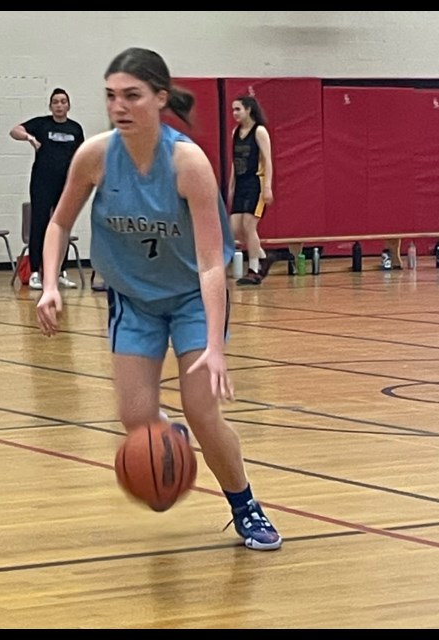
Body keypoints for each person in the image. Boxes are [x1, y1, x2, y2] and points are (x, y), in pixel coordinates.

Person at [36, 47, 282, 551]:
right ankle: (169, 442)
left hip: (191, 296)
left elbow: (214, 263)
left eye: (132, 95)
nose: (119, 106)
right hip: (134, 298)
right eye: (110, 96)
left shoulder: (187, 163)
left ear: (160, 98)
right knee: (135, 418)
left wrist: (215, 344)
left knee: (203, 412)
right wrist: (50, 285)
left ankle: (245, 505)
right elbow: (59, 223)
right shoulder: (96, 156)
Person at [10, 88, 84, 291]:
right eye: (55, 102)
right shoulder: (41, 124)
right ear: (50, 106)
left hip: (66, 184)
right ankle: (35, 271)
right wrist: (29, 138)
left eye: (63, 101)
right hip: (42, 182)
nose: (59, 105)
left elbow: (81, 155)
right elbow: (15, 130)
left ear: (68, 105)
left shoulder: (75, 129)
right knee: (40, 224)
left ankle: (60, 272)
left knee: (63, 227)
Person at [227, 95, 274, 286]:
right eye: (233, 110)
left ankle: (254, 269)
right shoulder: (235, 133)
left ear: (248, 110)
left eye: (238, 109)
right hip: (241, 183)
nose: (234, 113)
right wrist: (231, 186)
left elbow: (267, 160)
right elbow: (234, 163)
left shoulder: (259, 131)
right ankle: (263, 257)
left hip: (256, 182)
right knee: (235, 228)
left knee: (249, 225)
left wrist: (268, 187)